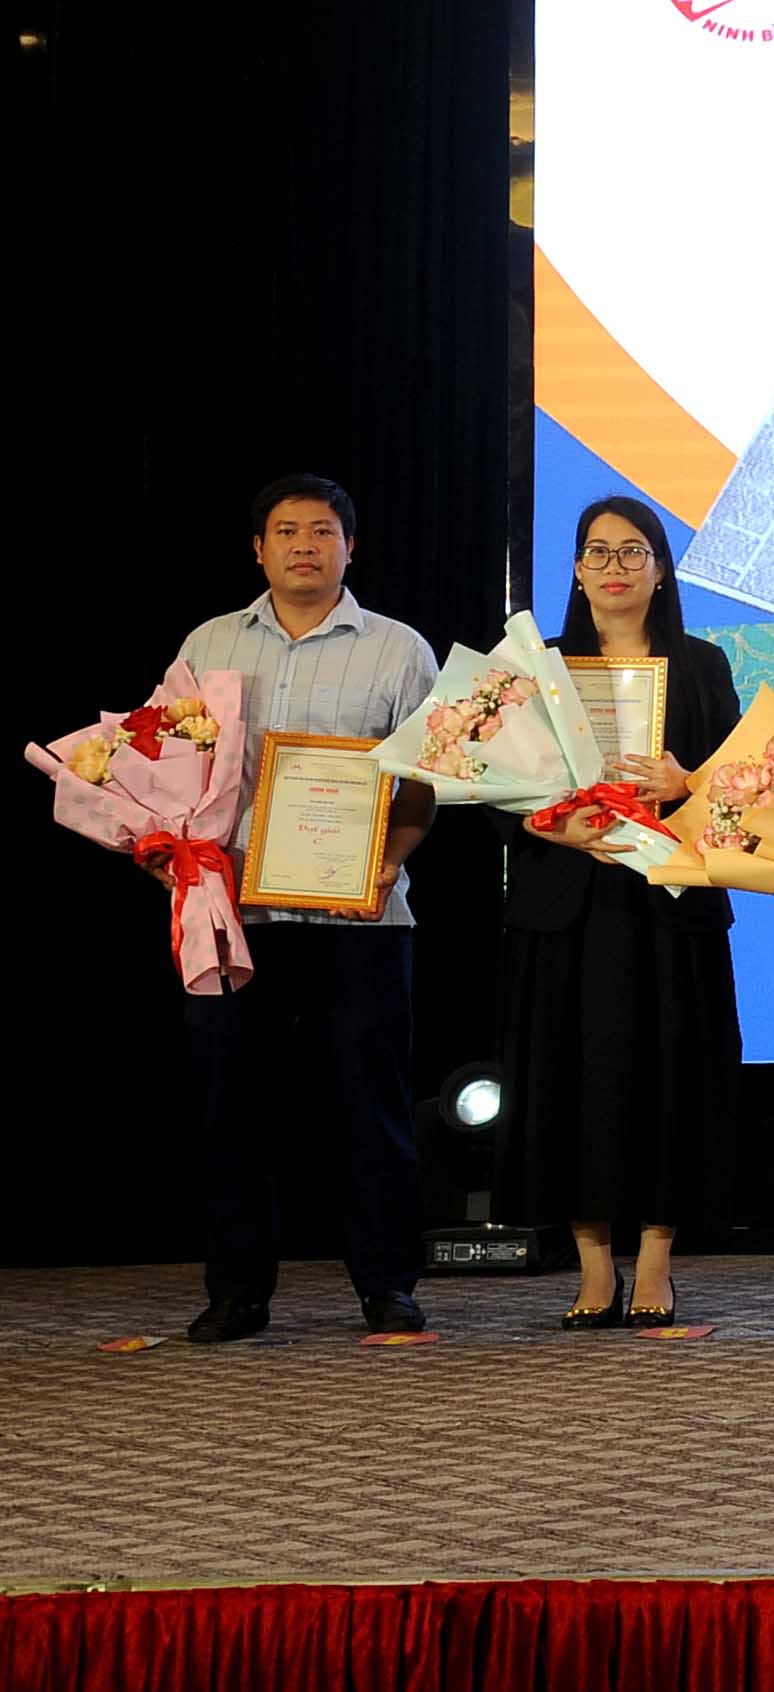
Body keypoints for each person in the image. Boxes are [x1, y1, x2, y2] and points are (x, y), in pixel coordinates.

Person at [167, 474, 441, 1343]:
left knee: (373, 1107)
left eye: (322, 532)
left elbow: (429, 782)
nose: (303, 547)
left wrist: (386, 867)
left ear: (350, 547)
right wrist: (171, 849)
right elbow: (168, 767)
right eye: (286, 532)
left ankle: (388, 1287)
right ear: (259, 549)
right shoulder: (209, 644)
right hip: (234, 917)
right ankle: (238, 1292)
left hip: (361, 920)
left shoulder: (399, 650)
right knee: (231, 1107)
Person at [500, 496, 743, 1330]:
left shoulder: (702, 665)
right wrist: (553, 828)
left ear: (660, 570)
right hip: (568, 905)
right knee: (572, 1080)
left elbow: (742, 788)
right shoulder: (538, 668)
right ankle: (594, 1267)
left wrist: (688, 783)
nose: (614, 567)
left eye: (633, 551)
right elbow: (493, 788)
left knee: (670, 1078)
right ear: (576, 570)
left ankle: (657, 1263)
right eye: (598, 552)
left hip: (669, 905)